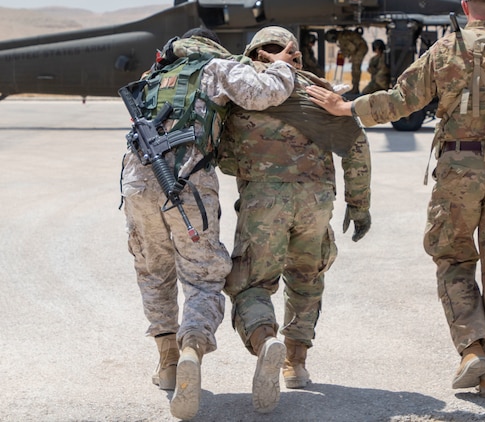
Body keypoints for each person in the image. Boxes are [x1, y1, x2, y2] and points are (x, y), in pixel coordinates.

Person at [307, 0, 485, 399]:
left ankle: (471, 349)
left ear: (466, 8)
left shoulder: (445, 51)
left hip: (457, 171)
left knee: (453, 259)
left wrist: (348, 107)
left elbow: (400, 101)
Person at [120, 27, 300, 420]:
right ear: (211, 45)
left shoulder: (157, 75)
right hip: (187, 183)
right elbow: (262, 94)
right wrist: (282, 67)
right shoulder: (215, 67)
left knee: (153, 271)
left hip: (137, 183)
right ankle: (191, 350)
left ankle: (168, 364)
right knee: (202, 277)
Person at [217, 26, 372, 414]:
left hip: (264, 199)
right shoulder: (318, 92)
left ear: (254, 55)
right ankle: (295, 362)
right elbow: (355, 143)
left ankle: (267, 339)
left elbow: (221, 156)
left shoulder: (243, 92)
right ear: (296, 57)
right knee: (307, 276)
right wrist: (359, 203)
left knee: (250, 282)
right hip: (316, 200)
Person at [335, 28, 368, 94]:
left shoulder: (341, 38)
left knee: (355, 68)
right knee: (355, 68)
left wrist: (348, 54)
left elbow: (352, 48)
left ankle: (355, 88)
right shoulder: (342, 35)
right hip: (360, 47)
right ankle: (355, 88)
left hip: (360, 48)